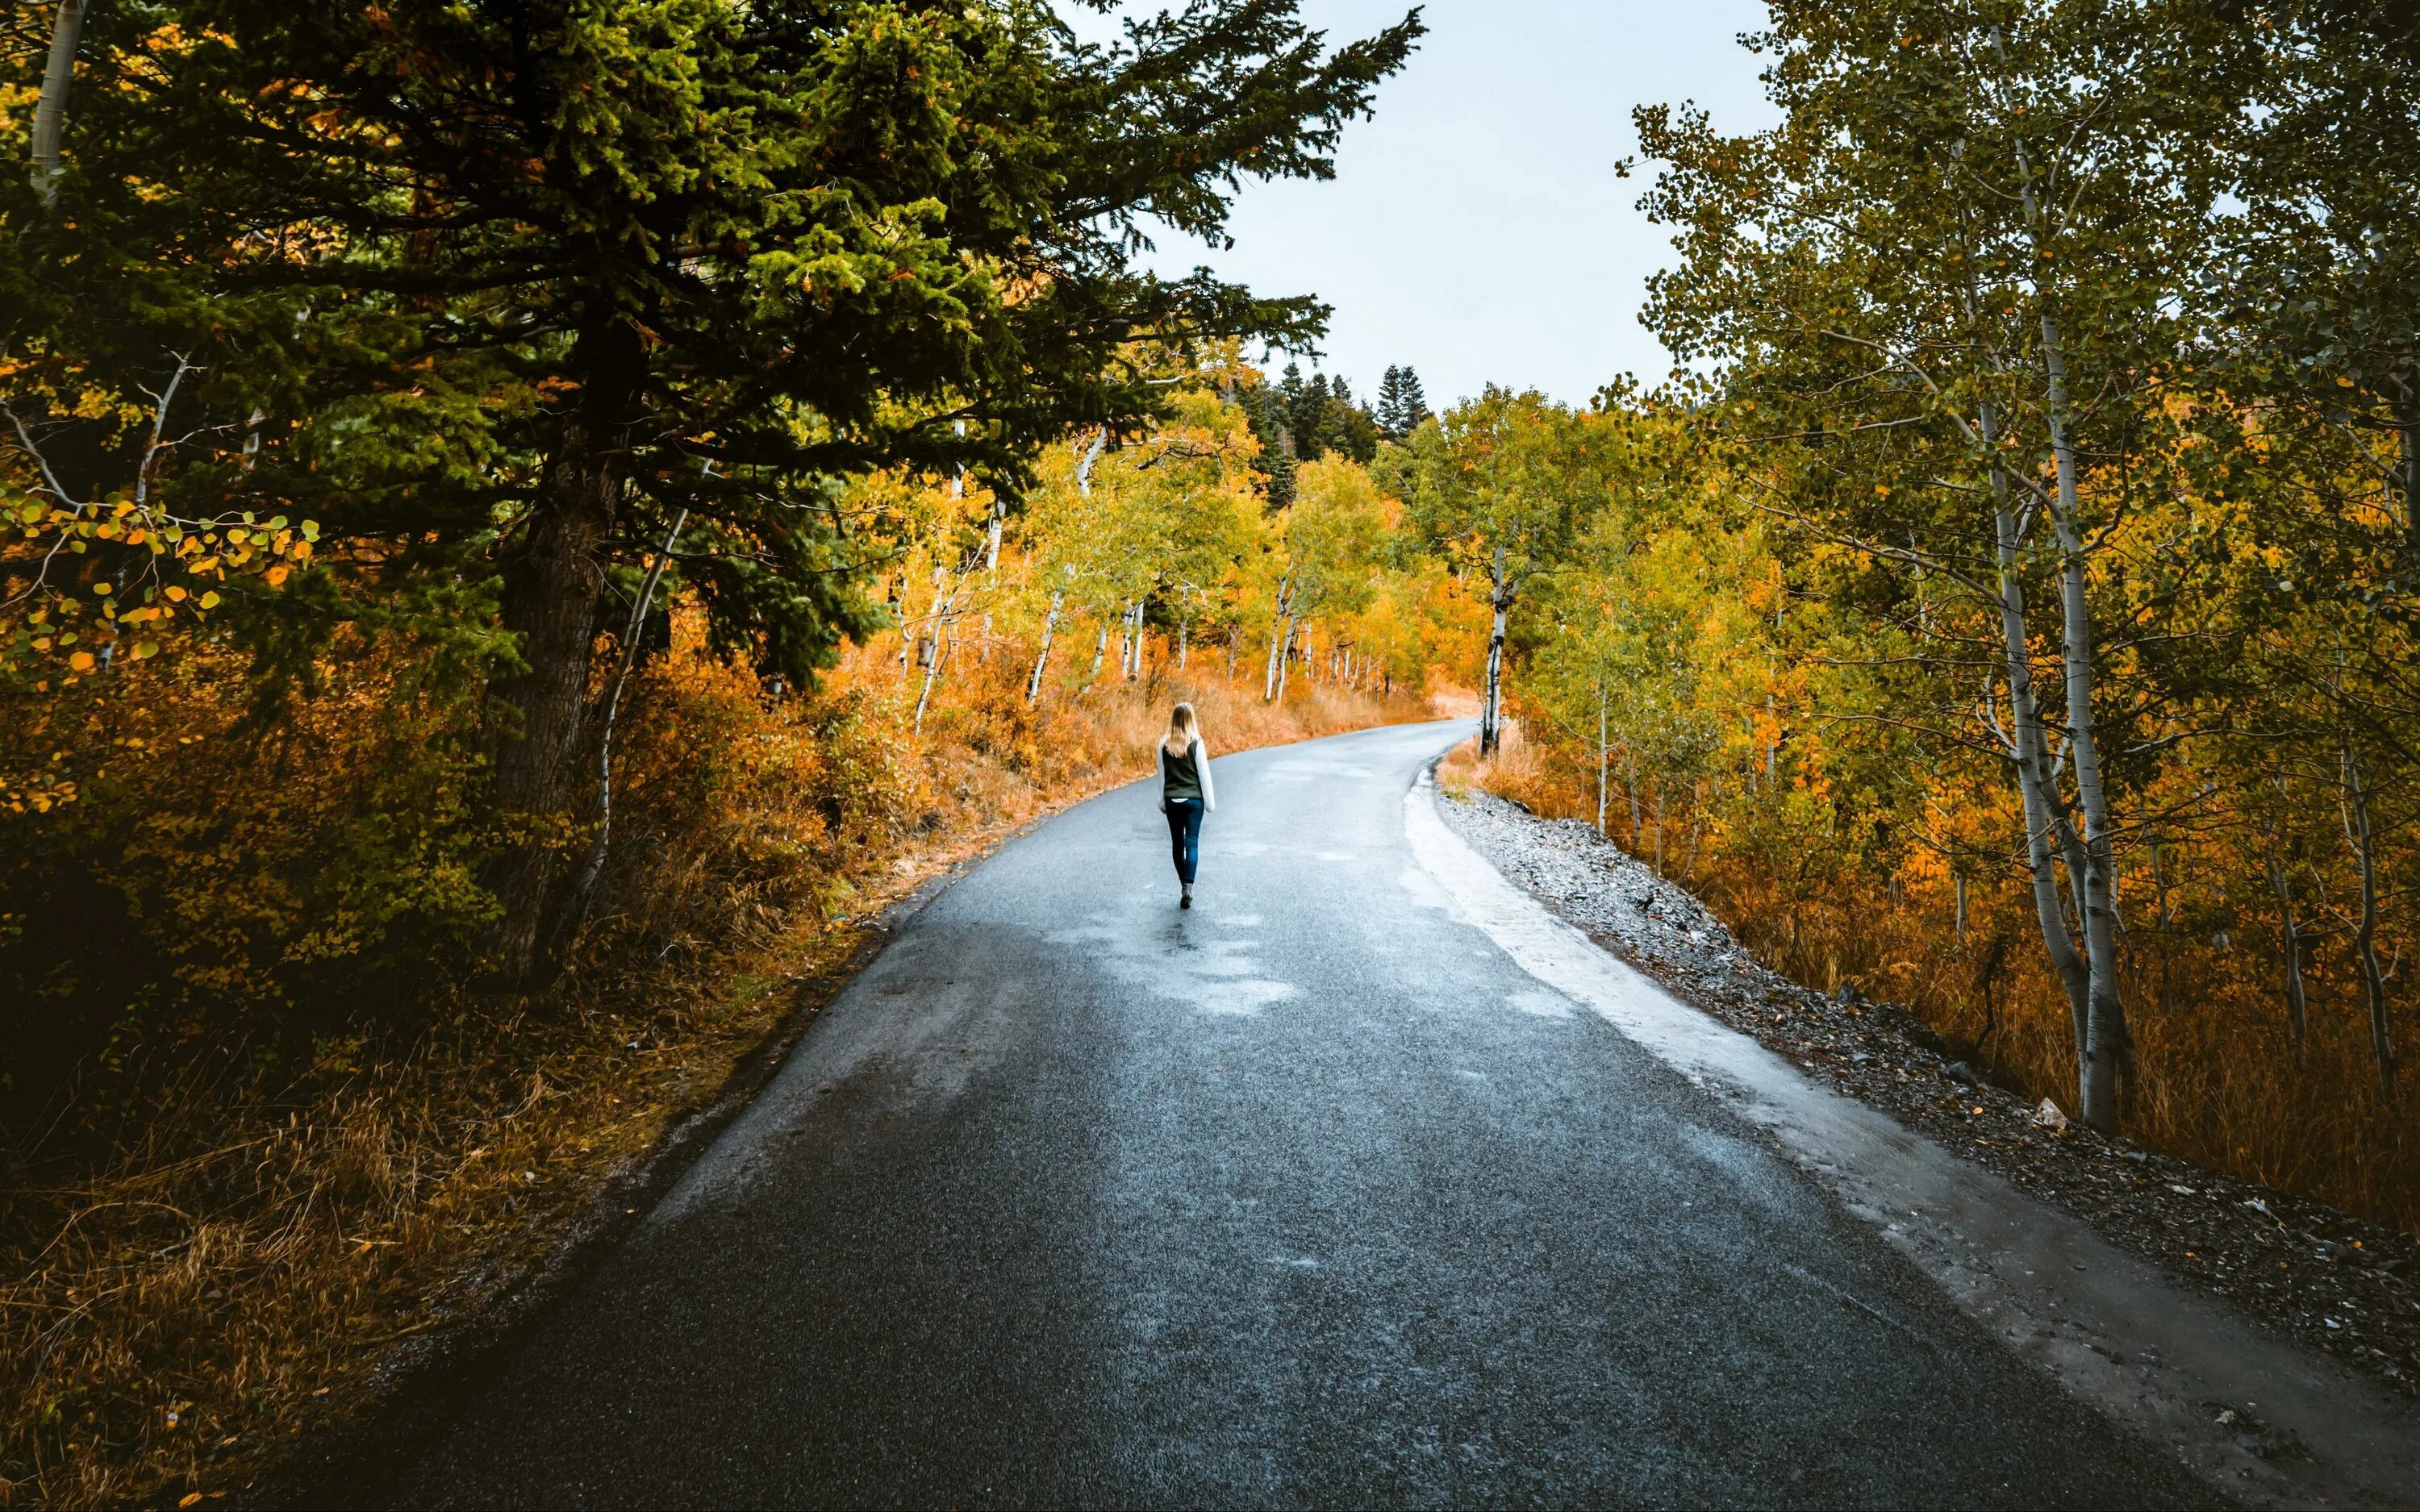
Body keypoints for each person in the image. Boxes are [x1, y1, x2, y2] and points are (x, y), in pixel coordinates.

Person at [1158, 702, 1216, 908]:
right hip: (1194, 801)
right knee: (1192, 842)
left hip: (1173, 800)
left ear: (1173, 720)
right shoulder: (1197, 743)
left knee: (1177, 843)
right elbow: (1204, 776)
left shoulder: (1164, 744)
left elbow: (1162, 776)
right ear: (1191, 719)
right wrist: (1210, 804)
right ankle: (1188, 888)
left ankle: (1183, 885)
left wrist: (1162, 801)